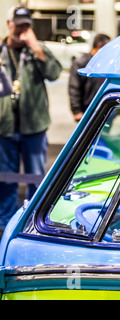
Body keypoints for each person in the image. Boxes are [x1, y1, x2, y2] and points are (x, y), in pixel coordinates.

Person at [0, 6, 62, 233]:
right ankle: (5, 224)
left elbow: (54, 72)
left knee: (35, 177)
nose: (22, 29)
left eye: (27, 25)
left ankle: (34, 223)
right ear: (9, 25)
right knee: (6, 179)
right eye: (19, 25)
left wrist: (36, 47)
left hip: (33, 126)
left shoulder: (37, 51)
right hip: (4, 128)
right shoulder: (1, 51)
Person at [68, 33, 110, 122]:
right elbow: (74, 87)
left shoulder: (105, 62)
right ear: (99, 45)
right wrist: (77, 110)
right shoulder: (82, 62)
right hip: (88, 108)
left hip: (105, 107)